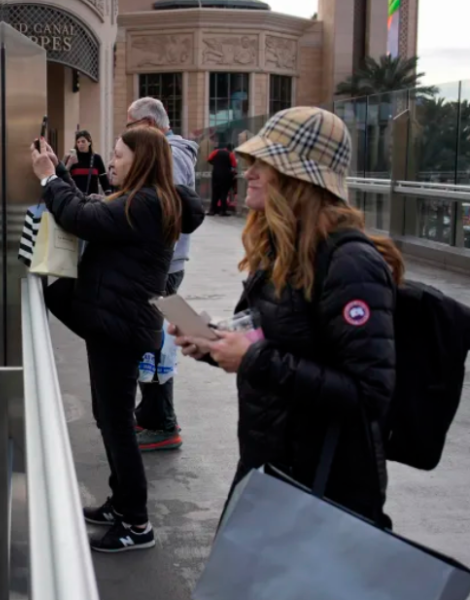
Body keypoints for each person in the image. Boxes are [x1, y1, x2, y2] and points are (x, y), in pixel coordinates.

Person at [173, 107, 401, 528]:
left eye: (265, 163)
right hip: (270, 468)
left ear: (299, 179)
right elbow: (272, 341)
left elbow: (370, 393)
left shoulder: (351, 264)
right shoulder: (282, 249)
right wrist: (213, 343)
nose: (248, 172)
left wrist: (253, 359)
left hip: (325, 490)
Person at [32, 127, 204, 553]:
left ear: (141, 160)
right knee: (110, 417)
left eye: (119, 155)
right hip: (115, 323)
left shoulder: (145, 203)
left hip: (119, 326)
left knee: (117, 424)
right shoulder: (143, 200)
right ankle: (122, 503)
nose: (113, 161)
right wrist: (58, 172)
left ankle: (136, 523)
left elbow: (82, 218)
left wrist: (48, 180)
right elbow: (91, 208)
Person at [125, 97, 200, 452]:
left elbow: (162, 208)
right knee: (157, 342)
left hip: (164, 267)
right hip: (167, 264)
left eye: (132, 126)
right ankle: (153, 415)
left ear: (150, 125)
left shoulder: (169, 154)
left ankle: (162, 423)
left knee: (156, 346)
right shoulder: (171, 151)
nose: (128, 134)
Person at [63, 130, 111, 195]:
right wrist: (69, 163)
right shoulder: (72, 158)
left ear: (89, 142)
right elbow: (63, 177)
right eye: (78, 142)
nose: (80, 144)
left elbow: (103, 178)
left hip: (92, 199)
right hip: (75, 198)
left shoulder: (96, 158)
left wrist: (108, 194)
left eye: (83, 141)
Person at [208, 142, 237, 216]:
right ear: (231, 149)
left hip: (215, 174)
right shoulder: (230, 154)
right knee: (224, 193)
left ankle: (212, 210)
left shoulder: (216, 152)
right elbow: (234, 164)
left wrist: (216, 164)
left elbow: (209, 159)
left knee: (215, 192)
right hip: (226, 175)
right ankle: (222, 210)